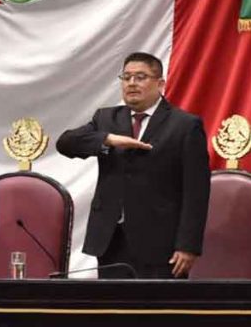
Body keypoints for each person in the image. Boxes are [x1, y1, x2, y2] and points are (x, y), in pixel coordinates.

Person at [56, 52, 210, 279]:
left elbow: (197, 192)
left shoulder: (185, 125)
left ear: (160, 84)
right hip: (111, 240)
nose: (131, 83)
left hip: (161, 244)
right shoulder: (107, 119)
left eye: (140, 77)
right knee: (113, 312)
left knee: (156, 313)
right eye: (126, 77)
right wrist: (107, 139)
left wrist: (188, 245)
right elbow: (66, 143)